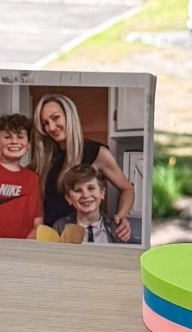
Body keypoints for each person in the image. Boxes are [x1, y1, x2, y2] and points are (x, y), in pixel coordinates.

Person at [32, 92, 134, 240]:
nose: (51, 127)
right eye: (45, 123)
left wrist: (121, 216)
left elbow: (127, 189)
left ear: (69, 116)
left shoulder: (97, 153)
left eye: (55, 118)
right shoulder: (45, 158)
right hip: (52, 239)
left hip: (84, 237)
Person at [56, 162, 117, 243]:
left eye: (91, 188)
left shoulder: (117, 229)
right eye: (78, 190)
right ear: (69, 198)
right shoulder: (60, 228)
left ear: (102, 193)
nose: (85, 195)